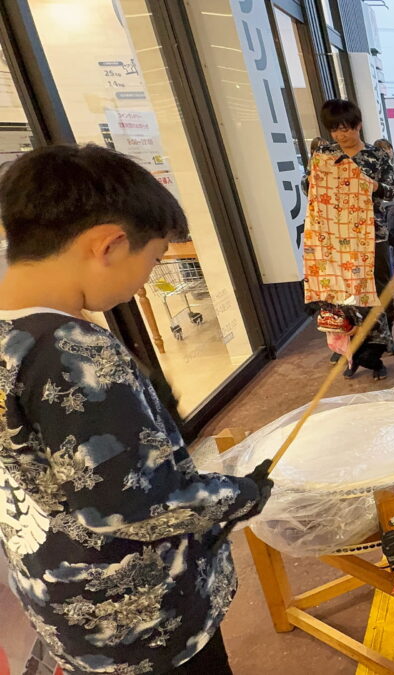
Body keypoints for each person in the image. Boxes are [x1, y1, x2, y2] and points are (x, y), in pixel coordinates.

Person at [0, 145, 273, 674]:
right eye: (152, 260)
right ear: (110, 243)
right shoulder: (72, 350)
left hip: (56, 593)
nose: (146, 278)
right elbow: (136, 506)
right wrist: (242, 493)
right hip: (139, 619)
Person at [311, 99, 394, 378]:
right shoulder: (324, 154)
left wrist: (373, 185)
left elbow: (391, 191)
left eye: (345, 129)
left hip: (373, 235)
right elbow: (310, 188)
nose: (340, 135)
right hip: (337, 237)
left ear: (358, 125)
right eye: (334, 130)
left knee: (379, 292)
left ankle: (378, 349)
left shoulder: (376, 156)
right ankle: (348, 348)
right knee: (342, 294)